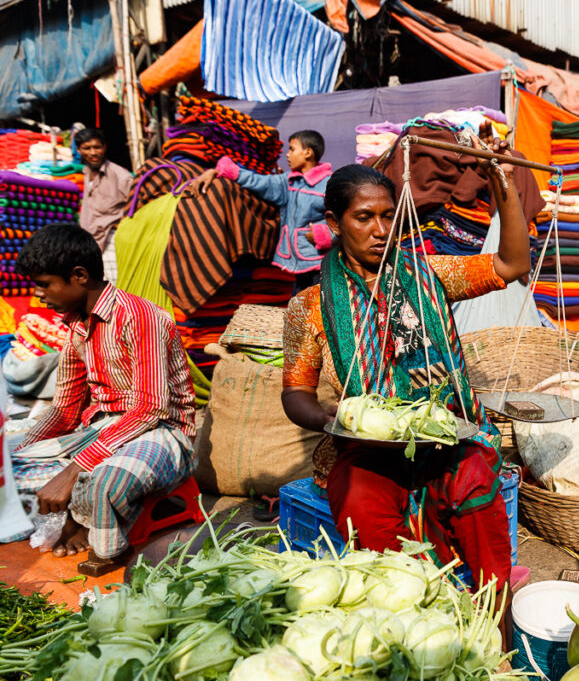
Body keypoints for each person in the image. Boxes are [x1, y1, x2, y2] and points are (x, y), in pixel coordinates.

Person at [280, 136, 529, 593]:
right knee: (359, 495)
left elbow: (512, 263)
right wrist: (328, 416)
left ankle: (495, 607)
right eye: (364, 217)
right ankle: (412, 598)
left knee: (473, 479)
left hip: (445, 437)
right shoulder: (310, 306)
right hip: (366, 447)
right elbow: (296, 392)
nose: (380, 229)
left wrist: (501, 180)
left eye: (388, 216)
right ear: (335, 223)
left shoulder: (429, 274)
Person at [9, 224, 196, 567]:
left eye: (45, 284)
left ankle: (95, 533)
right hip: (105, 430)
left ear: (78, 276)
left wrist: (73, 469)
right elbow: (64, 409)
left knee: (104, 481)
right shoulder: (78, 326)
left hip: (163, 431)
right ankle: (80, 514)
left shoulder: (139, 316)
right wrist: (18, 452)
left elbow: (150, 408)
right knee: (11, 467)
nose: (39, 295)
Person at [193, 130, 332, 287]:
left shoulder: (328, 185)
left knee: (321, 307)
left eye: (292, 149)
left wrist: (323, 234)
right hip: (298, 264)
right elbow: (257, 181)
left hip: (319, 264)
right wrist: (219, 171)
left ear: (307, 153)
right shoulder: (288, 181)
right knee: (300, 307)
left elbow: (342, 222)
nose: (287, 154)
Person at [76, 128, 133, 285]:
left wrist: (122, 223)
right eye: (87, 148)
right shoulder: (87, 173)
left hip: (111, 242)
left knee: (115, 289)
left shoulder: (120, 176)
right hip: (91, 244)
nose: (93, 153)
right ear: (79, 150)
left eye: (97, 147)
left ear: (105, 147)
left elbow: (139, 206)